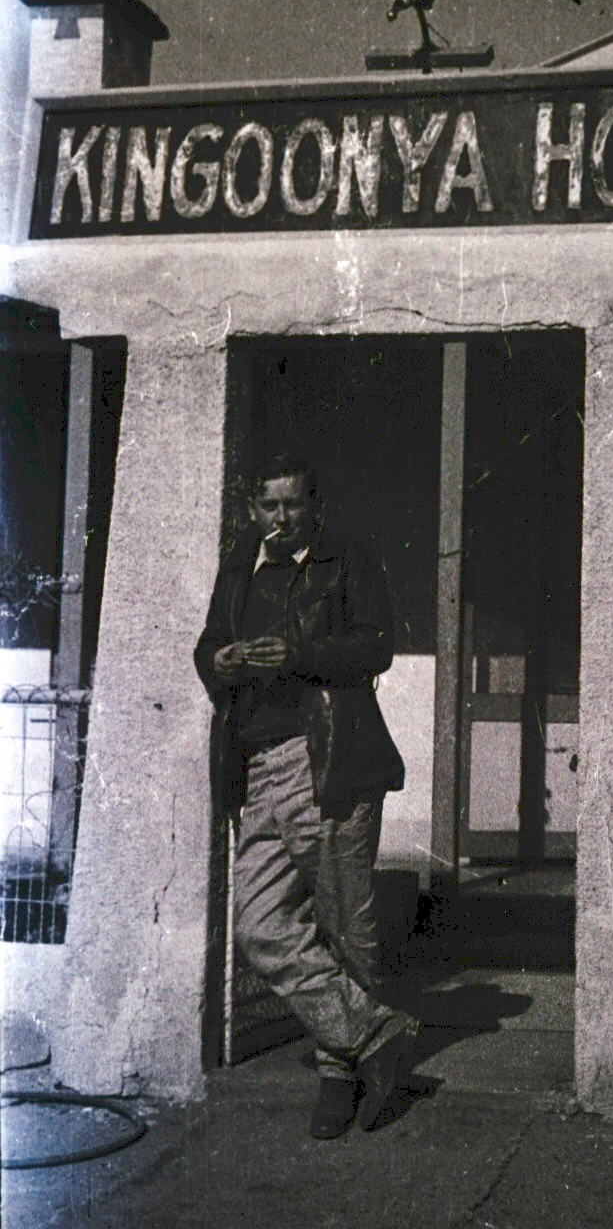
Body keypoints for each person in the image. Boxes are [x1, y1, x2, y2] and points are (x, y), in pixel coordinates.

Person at [194, 451, 417, 1140]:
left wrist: (294, 653)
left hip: (326, 758)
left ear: (314, 506)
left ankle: (338, 1073)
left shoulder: (346, 559)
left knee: (347, 926)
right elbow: (208, 643)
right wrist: (221, 661)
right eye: (270, 506)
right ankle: (376, 1035)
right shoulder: (241, 565)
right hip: (254, 765)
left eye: (293, 504)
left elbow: (375, 645)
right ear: (252, 510)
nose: (281, 517)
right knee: (258, 925)